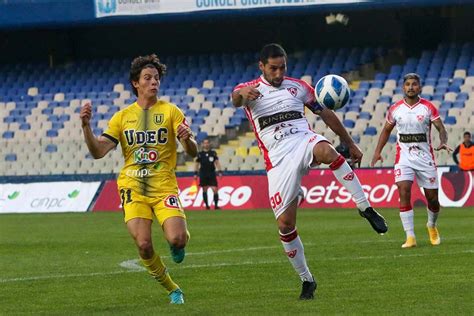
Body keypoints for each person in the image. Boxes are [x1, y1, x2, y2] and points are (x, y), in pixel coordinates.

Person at [231, 43, 387, 301]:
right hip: (278, 161)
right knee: (285, 225)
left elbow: (325, 114)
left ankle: (366, 208)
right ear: (261, 67)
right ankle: (307, 280)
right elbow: (235, 98)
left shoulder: (299, 87)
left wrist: (349, 143)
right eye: (273, 68)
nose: (279, 73)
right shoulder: (248, 90)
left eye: (282, 67)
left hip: (303, 141)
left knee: (327, 152)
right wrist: (243, 93)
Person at [80, 54, 197, 304]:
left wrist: (187, 139)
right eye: (148, 78)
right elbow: (98, 151)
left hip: (164, 186)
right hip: (132, 187)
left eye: (156, 78)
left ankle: (178, 245)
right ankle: (172, 288)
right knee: (143, 244)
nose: (154, 82)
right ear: (136, 83)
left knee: (177, 238)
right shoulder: (122, 118)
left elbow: (192, 151)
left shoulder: (171, 111)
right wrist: (86, 127)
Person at [370, 73, 451, 249]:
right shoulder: (395, 109)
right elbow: (385, 131)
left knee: (432, 199)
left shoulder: (428, 107)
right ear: (403, 88)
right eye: (408, 84)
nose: (411, 87)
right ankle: (410, 237)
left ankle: (431, 225)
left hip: (425, 158)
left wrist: (443, 141)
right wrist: (377, 152)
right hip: (403, 158)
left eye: (414, 84)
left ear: (419, 87)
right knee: (404, 190)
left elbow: (441, 128)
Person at [194, 139, 223, 210]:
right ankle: (207, 206)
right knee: (204, 189)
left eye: (207, 143)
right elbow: (197, 164)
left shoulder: (213, 153)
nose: (206, 144)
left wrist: (220, 171)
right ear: (202, 144)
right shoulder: (200, 154)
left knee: (215, 189)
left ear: (209, 144)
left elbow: (217, 162)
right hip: (203, 173)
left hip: (211, 173)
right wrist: (195, 173)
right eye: (205, 143)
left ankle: (216, 206)